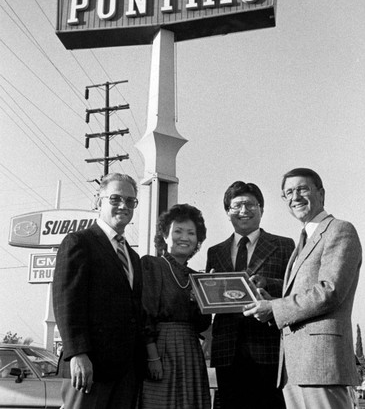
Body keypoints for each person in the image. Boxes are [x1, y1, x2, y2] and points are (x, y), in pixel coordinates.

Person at [244, 168, 362, 409]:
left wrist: (274, 308)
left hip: (321, 365)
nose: (294, 197)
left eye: (302, 189)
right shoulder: (304, 238)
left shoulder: (340, 230)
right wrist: (271, 295)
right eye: (288, 192)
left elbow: (329, 291)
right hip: (294, 368)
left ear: (321, 194)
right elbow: (304, 289)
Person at [53, 172, 144, 409]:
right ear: (98, 201)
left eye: (130, 201)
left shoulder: (133, 257)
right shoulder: (79, 242)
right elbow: (67, 301)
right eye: (115, 198)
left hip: (125, 371)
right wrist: (77, 354)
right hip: (89, 368)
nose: (123, 205)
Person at [206, 181, 295, 409]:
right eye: (236, 206)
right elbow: (212, 301)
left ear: (262, 209)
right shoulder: (215, 252)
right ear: (227, 212)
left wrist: (267, 284)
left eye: (250, 205)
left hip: (269, 348)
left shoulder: (284, 245)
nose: (243, 211)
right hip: (227, 350)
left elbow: (294, 288)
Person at [139, 204, 211, 409]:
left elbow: (202, 324)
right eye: (177, 231)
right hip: (161, 348)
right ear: (165, 236)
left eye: (191, 233)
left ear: (198, 240)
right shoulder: (152, 265)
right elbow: (145, 314)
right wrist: (153, 357)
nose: (184, 237)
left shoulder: (197, 276)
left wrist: (204, 299)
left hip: (190, 350)